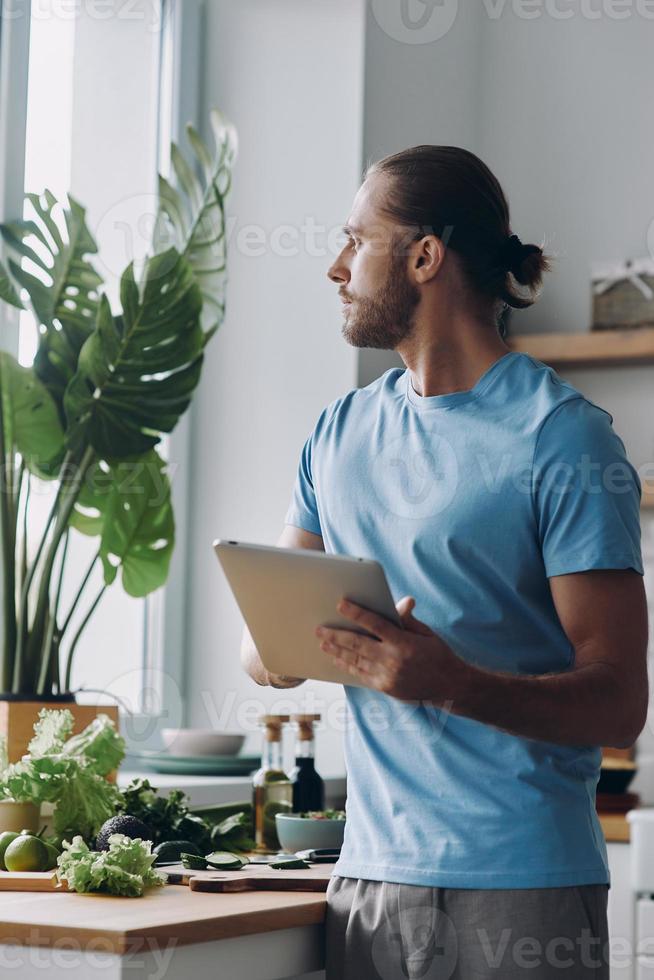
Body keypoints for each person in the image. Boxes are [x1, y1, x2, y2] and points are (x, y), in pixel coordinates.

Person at [241, 145, 649, 979]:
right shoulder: (337, 433)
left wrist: (449, 681)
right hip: (368, 883)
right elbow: (265, 651)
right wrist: (282, 647)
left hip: (523, 891)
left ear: (425, 255)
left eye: (357, 240)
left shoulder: (562, 437)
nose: (335, 266)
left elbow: (619, 703)